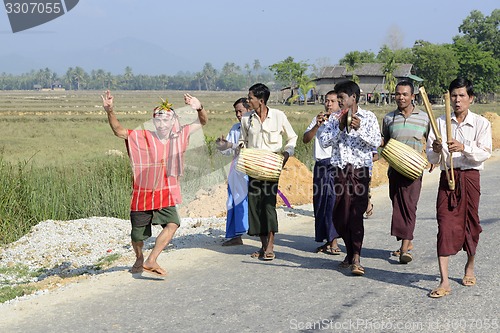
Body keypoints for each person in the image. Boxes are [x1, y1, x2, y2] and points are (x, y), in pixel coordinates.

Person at [102, 90, 208, 276]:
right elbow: (119, 131)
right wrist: (110, 110)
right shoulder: (142, 136)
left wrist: (199, 107)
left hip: (165, 191)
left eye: (166, 120)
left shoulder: (180, 135)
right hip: (142, 192)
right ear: (153, 121)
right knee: (137, 236)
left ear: (173, 122)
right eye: (158, 120)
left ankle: (152, 259)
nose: (162, 123)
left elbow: (202, 122)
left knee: (173, 223)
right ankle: (139, 258)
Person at [426, 77, 492, 298]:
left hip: (470, 177)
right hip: (448, 177)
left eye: (462, 95)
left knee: (470, 224)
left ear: (471, 98)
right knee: (444, 224)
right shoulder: (440, 123)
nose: (457, 100)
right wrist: (436, 149)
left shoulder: (482, 123)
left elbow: (485, 151)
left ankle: (470, 266)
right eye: (453, 95)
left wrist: (463, 147)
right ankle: (444, 281)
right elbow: (431, 156)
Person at [319, 80, 381, 276]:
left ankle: (356, 257)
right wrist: (338, 126)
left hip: (360, 171)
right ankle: (350, 250)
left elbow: (376, 141)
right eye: (337, 98)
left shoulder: (368, 117)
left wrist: (359, 129)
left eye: (342, 98)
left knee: (355, 213)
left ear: (353, 97)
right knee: (340, 215)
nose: (339, 101)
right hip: (339, 170)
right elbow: (324, 141)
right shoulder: (334, 118)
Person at [238, 83, 298, 261]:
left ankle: (270, 245)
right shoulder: (246, 119)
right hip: (253, 167)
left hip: (272, 166)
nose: (248, 101)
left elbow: (292, 137)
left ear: (261, 100)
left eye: (251, 98)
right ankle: (263, 246)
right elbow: (243, 140)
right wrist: (241, 148)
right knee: (255, 206)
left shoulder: (278, 116)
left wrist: (287, 153)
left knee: (268, 204)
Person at [380, 80, 430, 263]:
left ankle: (404, 248)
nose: (401, 97)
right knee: (397, 203)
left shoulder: (424, 118)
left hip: (413, 169)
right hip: (394, 168)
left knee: (409, 205)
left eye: (405, 94)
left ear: (412, 96)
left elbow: (432, 141)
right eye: (398, 94)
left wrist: (432, 159)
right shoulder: (388, 118)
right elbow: (384, 141)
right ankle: (406, 241)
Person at [302, 90, 341, 255]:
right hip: (320, 165)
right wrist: (317, 125)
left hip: (334, 164)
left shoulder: (341, 120)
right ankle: (325, 239)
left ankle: (334, 241)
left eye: (332, 101)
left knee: (332, 203)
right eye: (327, 101)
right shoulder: (318, 120)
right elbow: (305, 139)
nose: (329, 104)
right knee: (320, 203)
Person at [215, 98, 251, 246]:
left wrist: (232, 145)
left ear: (249, 110)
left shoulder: (253, 128)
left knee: (248, 202)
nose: (238, 114)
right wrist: (222, 145)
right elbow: (229, 150)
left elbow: (243, 147)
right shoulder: (235, 128)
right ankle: (236, 234)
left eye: (240, 111)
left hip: (250, 169)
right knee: (233, 201)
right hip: (236, 171)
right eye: (236, 111)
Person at [364, 148, 379, 218]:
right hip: (355, 170)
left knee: (364, 190)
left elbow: (376, 157)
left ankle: (368, 207)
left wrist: (365, 161)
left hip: (366, 171)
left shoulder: (370, 141)